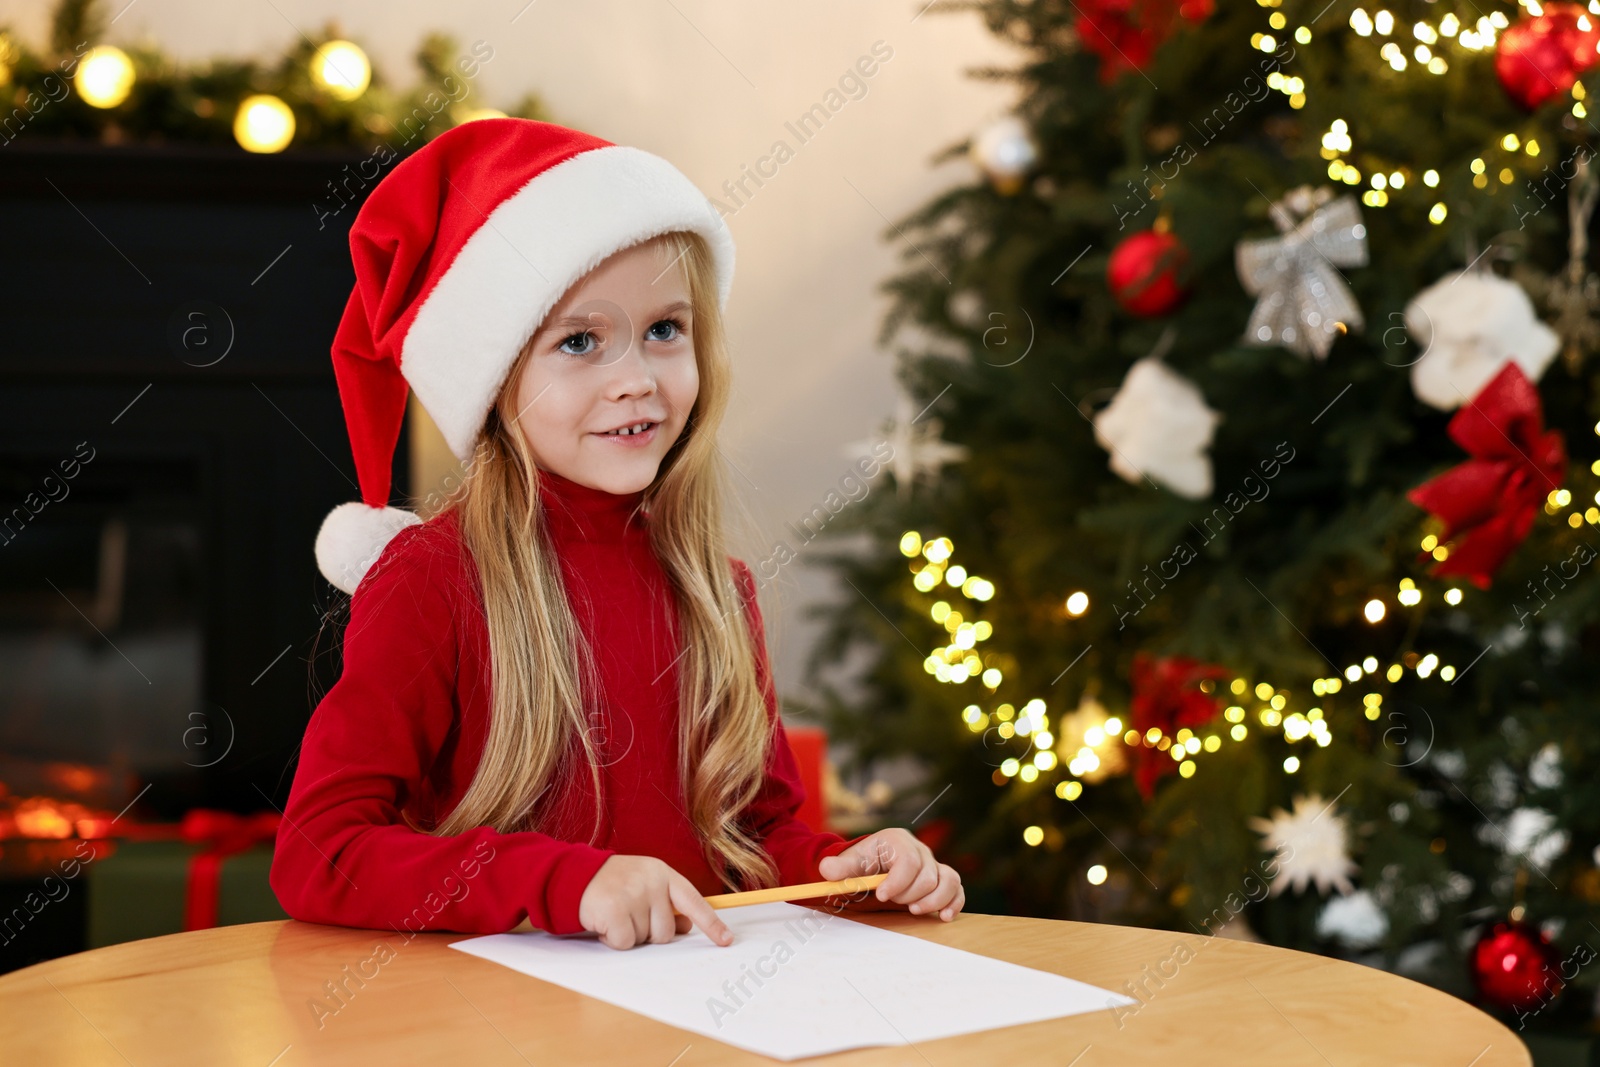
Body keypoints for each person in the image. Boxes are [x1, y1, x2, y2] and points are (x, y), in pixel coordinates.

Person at [268, 118, 964, 951]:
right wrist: (563, 879)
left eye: (665, 330)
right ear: (493, 381)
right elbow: (319, 853)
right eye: (579, 341)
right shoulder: (433, 579)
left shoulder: (715, 586)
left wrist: (847, 870)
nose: (635, 380)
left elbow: (757, 840)